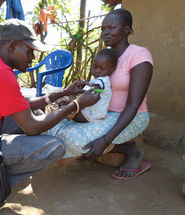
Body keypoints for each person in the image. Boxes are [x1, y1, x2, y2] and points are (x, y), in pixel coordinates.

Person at [0, 18, 100, 187]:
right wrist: (76, 105)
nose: (32, 57)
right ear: (12, 46)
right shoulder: (0, 73)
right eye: (30, 51)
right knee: (55, 147)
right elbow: (32, 128)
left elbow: (23, 104)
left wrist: (65, 92)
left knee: (36, 114)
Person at [47, 9, 153, 179]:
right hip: (100, 115)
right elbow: (96, 93)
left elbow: (133, 105)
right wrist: (75, 104)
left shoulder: (138, 55)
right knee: (52, 129)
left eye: (111, 28)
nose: (105, 32)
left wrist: (105, 140)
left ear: (126, 29)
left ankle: (132, 151)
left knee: (77, 142)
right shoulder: (104, 58)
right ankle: (113, 148)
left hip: (132, 116)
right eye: (103, 29)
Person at [68, 48, 118, 123]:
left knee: (67, 109)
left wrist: (83, 87)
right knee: (67, 107)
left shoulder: (103, 80)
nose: (97, 70)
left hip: (91, 114)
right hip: (93, 112)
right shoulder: (98, 79)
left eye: (102, 68)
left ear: (112, 69)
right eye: (95, 67)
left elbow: (94, 90)